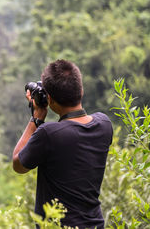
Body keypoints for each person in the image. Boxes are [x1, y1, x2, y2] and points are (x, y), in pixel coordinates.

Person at [12, 59, 113, 229]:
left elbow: (18, 164)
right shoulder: (104, 124)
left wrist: (37, 117)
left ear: (49, 99)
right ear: (81, 90)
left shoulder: (49, 134)